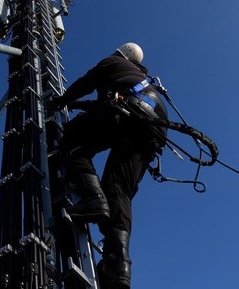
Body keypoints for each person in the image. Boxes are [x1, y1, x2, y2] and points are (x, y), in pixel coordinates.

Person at [50, 42, 169, 289]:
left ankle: (94, 200)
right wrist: (78, 106)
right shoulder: (140, 79)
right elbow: (104, 104)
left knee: (73, 143)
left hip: (126, 112)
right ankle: (117, 267)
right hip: (153, 130)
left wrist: (61, 101)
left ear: (120, 53)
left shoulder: (113, 62)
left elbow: (87, 82)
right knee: (118, 190)